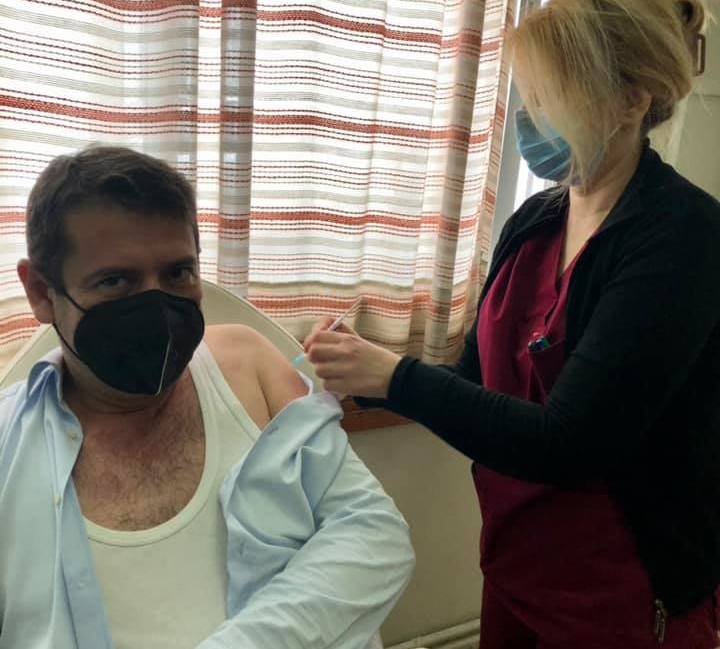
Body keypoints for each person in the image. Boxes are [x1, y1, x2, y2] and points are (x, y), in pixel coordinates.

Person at [304, 1, 720, 647]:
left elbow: (570, 443)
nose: (530, 115)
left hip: (623, 593)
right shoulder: (534, 224)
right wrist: (361, 375)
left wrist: (395, 377)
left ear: (632, 100)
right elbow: (477, 382)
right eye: (528, 94)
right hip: (516, 564)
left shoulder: (683, 238)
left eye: (551, 96)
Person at [0, 146, 415, 649]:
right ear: (41, 293)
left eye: (177, 273)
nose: (156, 306)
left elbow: (375, 535)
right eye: (115, 281)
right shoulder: (9, 445)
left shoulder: (247, 367)